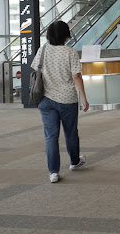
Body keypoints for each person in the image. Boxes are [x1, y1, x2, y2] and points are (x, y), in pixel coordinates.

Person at [31, 21, 88, 184]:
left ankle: (53, 172)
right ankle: (74, 162)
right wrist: (84, 97)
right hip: (67, 99)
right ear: (66, 34)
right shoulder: (71, 52)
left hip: (46, 100)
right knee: (70, 132)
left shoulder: (42, 50)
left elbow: (36, 70)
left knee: (50, 136)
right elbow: (76, 76)